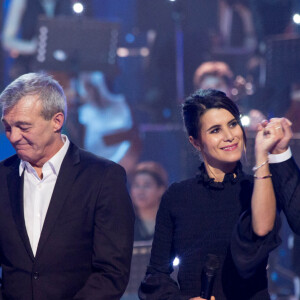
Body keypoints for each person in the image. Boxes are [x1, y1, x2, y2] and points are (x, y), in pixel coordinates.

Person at [0, 72, 135, 299]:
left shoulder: (103, 177)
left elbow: (112, 272)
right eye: (8, 127)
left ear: (57, 121)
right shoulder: (2, 177)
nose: (13, 137)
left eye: (23, 127)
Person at [138, 89, 283, 299]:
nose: (229, 136)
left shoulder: (259, 189)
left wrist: (261, 156)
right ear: (195, 141)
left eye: (233, 124)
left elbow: (261, 233)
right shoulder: (178, 196)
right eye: (215, 130)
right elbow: (155, 275)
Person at [130, 161, 168, 241]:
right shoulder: (124, 224)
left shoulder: (171, 223)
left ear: (161, 190)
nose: (140, 191)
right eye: (136, 185)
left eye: (147, 185)